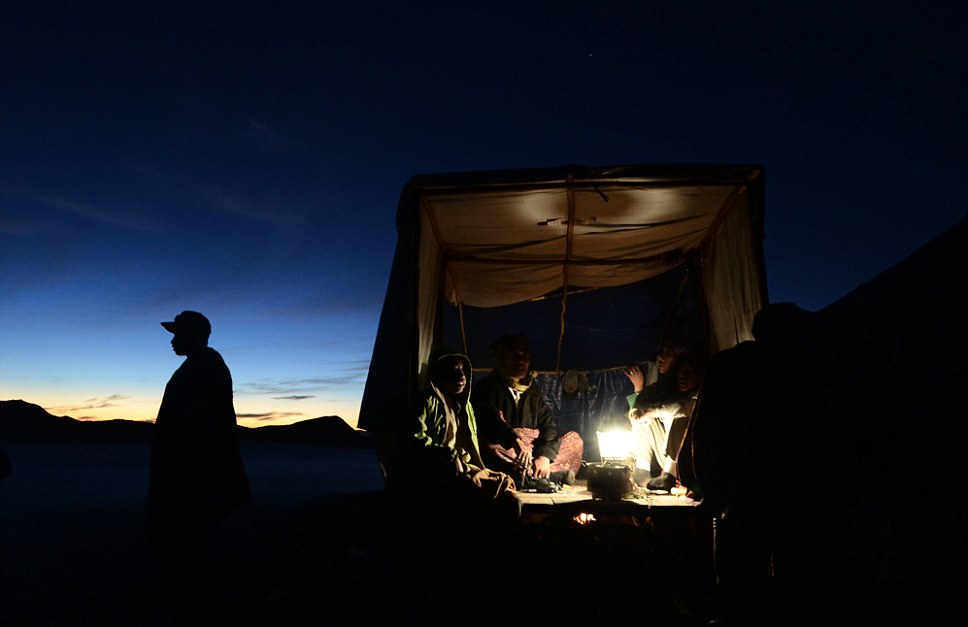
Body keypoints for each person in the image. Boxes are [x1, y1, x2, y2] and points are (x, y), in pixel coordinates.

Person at [145, 310, 250, 621]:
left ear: (194, 334)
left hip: (194, 483)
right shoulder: (201, 366)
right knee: (187, 552)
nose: (173, 340)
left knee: (184, 552)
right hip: (194, 480)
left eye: (178, 334)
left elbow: (199, 431)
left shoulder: (203, 368)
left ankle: (198, 610)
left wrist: (179, 481)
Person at [472, 333, 583, 487]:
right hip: (509, 449)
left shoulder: (532, 390)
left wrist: (544, 456)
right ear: (502, 359)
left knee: (574, 440)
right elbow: (490, 422)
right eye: (515, 357)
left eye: (525, 357)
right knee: (490, 447)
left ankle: (536, 475)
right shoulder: (487, 387)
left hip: (530, 452)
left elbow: (548, 427)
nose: (521, 362)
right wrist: (515, 441)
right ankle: (540, 478)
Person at [623, 337, 691, 489]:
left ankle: (670, 476)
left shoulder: (695, 392)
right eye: (662, 353)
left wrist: (651, 413)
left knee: (677, 418)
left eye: (669, 354)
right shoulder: (664, 385)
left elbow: (677, 406)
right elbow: (646, 399)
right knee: (643, 419)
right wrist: (637, 412)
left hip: (688, 457)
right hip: (666, 454)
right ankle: (642, 471)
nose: (662, 358)